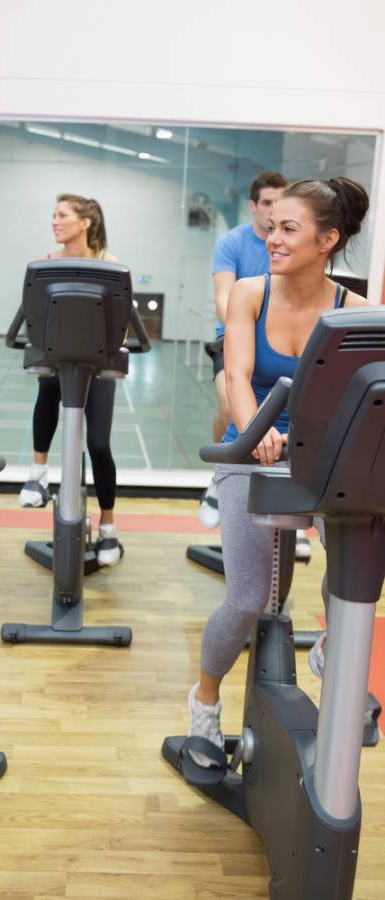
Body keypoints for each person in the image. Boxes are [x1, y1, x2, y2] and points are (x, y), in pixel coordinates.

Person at [187, 176, 370, 766]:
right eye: (272, 226)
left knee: (357, 587)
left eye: (290, 229)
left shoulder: (358, 311)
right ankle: (205, 702)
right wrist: (256, 428)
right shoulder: (249, 292)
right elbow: (238, 376)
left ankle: (332, 655)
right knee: (247, 598)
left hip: (320, 458)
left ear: (328, 240)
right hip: (251, 450)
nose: (273, 237)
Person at [19, 193, 123, 566]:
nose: (54, 221)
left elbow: (122, 325)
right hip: (58, 361)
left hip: (98, 367)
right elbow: (33, 318)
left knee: (98, 445)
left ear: (85, 222)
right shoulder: (45, 265)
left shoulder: (109, 265)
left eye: (62, 215)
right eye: (53, 215)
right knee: (46, 387)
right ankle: (38, 474)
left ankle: (109, 528)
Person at [200, 172, 289, 529]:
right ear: (253, 205)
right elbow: (224, 298)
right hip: (234, 337)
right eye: (267, 203)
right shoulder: (232, 242)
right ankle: (223, 469)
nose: (273, 211)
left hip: (280, 342)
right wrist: (246, 321)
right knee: (230, 404)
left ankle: (285, 490)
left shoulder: (289, 246)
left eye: (280, 204)